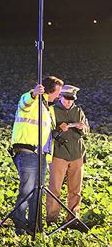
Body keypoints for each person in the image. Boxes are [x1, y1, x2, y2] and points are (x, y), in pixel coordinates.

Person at [11, 76, 64, 235]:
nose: (59, 96)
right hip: (27, 151)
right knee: (27, 189)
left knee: (38, 191)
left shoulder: (47, 108)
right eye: (58, 92)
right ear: (50, 91)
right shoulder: (33, 101)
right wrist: (33, 94)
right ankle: (20, 224)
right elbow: (25, 103)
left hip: (40, 155)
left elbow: (44, 133)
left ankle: (35, 225)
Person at [46, 85, 89, 226]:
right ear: (60, 97)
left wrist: (82, 128)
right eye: (66, 99)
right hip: (59, 155)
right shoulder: (51, 111)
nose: (69, 102)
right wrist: (58, 130)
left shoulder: (78, 111)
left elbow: (87, 131)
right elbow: (46, 133)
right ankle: (52, 219)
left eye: (71, 100)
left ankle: (73, 219)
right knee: (55, 189)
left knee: (75, 190)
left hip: (77, 154)